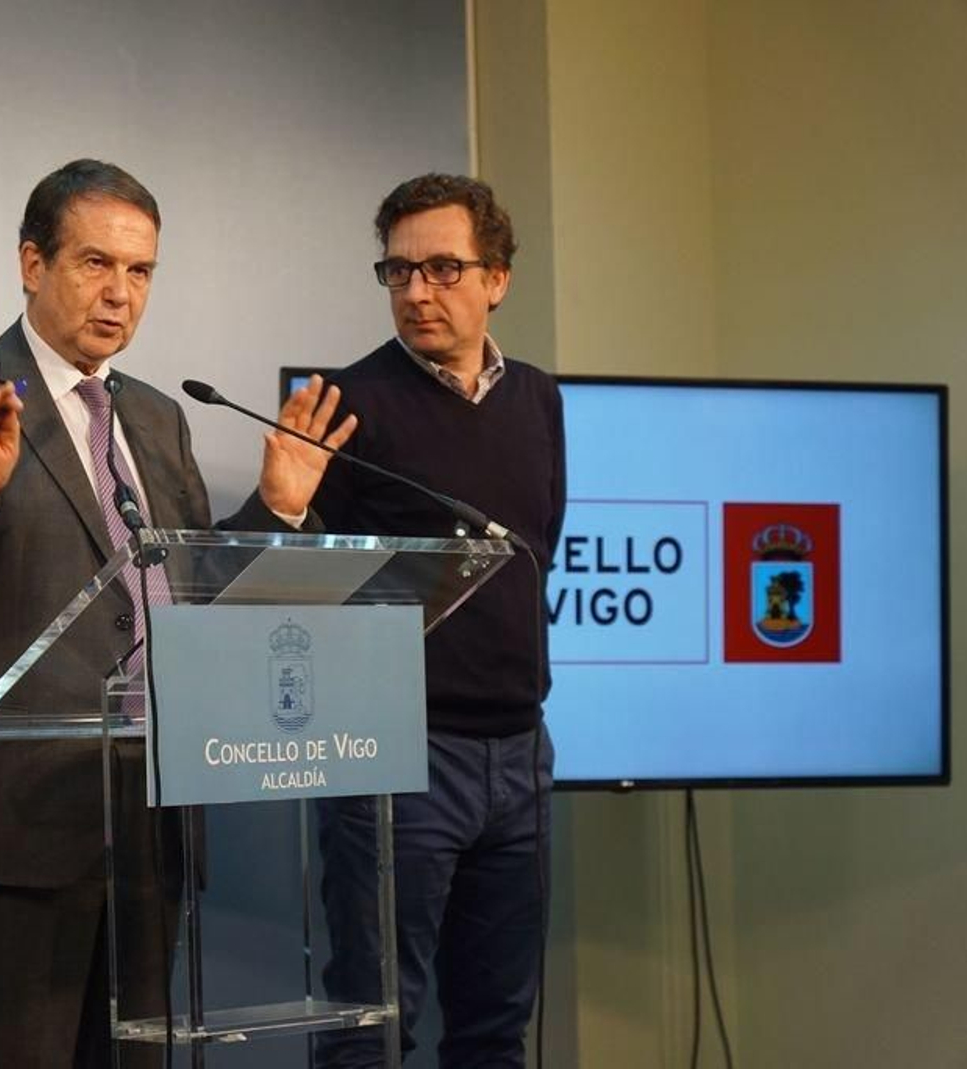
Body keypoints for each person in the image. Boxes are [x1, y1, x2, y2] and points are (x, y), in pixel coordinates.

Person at [0, 158, 354, 1068]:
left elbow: (189, 603)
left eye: (141, 270)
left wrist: (275, 513)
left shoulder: (157, 418)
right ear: (31, 263)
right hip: (10, 834)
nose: (121, 294)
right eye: (95, 263)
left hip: (147, 830)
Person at [311, 174, 565, 1067]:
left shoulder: (538, 398)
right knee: (372, 1031)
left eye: (443, 268)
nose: (417, 291)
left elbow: (538, 547)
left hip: (520, 755)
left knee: (496, 1030)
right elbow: (305, 590)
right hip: (397, 756)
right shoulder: (346, 403)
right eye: (399, 270)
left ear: (497, 278)